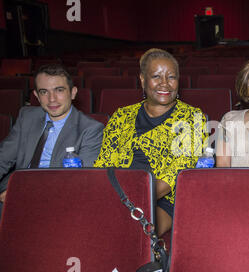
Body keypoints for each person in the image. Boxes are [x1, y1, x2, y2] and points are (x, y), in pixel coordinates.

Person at [94, 48, 208, 237]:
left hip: (162, 199)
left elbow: (174, 175)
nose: (165, 84)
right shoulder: (121, 115)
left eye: (171, 77)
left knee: (134, 233)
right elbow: (104, 164)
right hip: (116, 194)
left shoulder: (192, 118)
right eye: (156, 76)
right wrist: (111, 199)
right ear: (142, 80)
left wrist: (128, 203)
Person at [0, 64, 104, 210]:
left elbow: (79, 181)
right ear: (36, 96)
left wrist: (23, 192)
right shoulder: (27, 117)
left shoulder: (91, 130)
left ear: (73, 93)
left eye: (59, 90)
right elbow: (3, 157)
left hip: (56, 199)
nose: (52, 99)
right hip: (12, 190)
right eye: (44, 92)